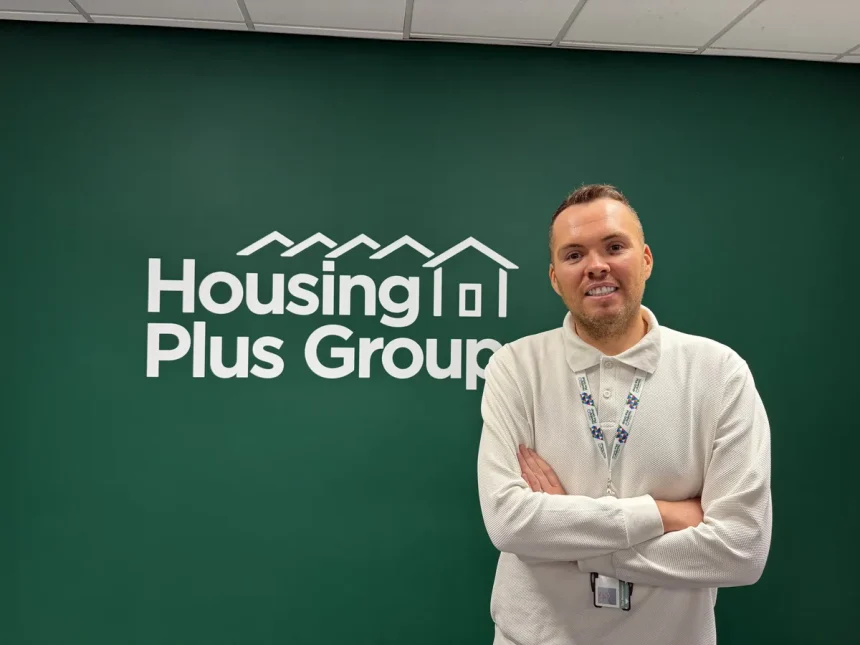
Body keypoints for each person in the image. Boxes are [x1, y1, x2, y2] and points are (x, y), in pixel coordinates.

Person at [476, 184, 772, 645]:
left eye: (614, 247)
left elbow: (741, 549)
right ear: (554, 278)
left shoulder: (719, 372)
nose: (596, 265)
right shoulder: (514, 367)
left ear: (646, 260)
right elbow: (510, 522)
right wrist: (663, 515)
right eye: (574, 255)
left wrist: (570, 543)